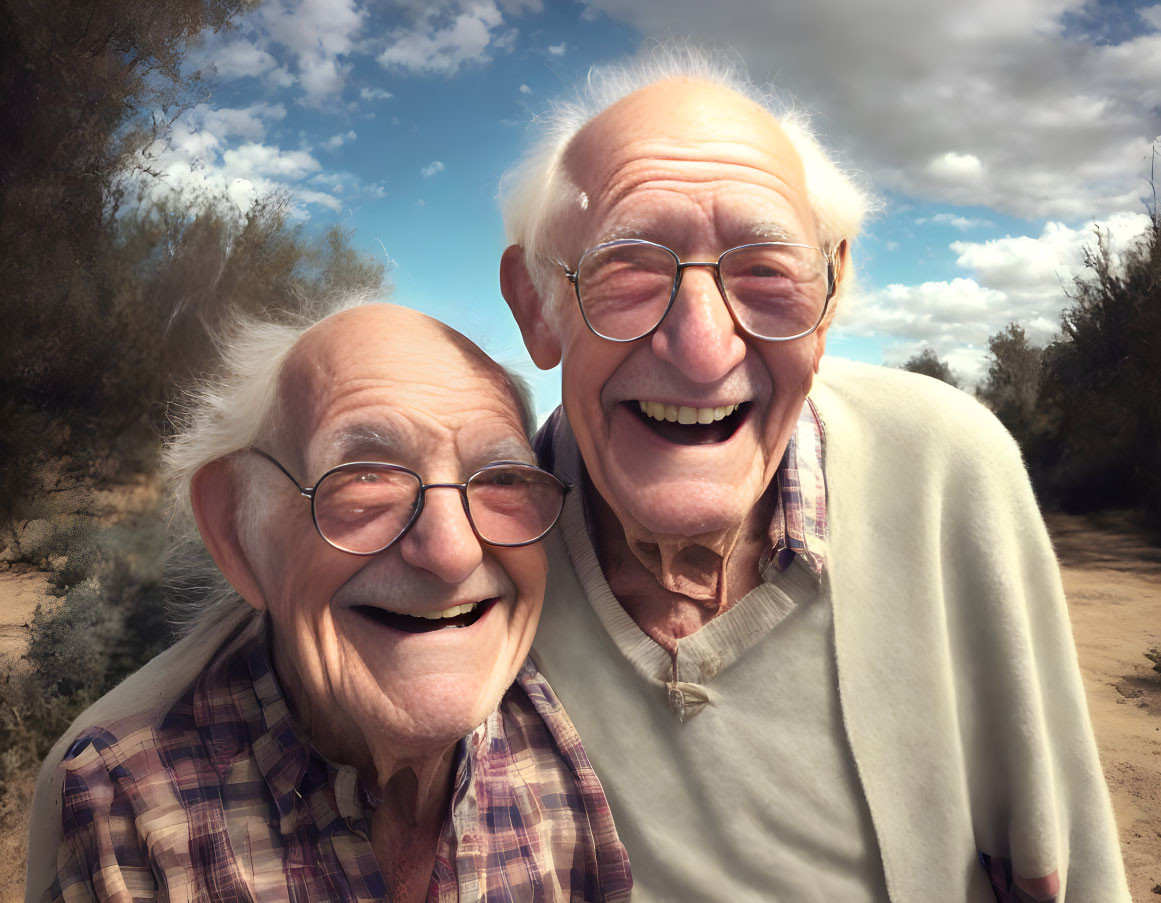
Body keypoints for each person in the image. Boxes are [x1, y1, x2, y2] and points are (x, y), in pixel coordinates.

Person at [498, 49, 1130, 902]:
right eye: (630, 267)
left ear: (829, 293)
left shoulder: (942, 459)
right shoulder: (473, 538)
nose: (701, 346)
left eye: (764, 269)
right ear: (538, 306)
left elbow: (1067, 853)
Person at [27, 302, 631, 903]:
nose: (454, 552)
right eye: (365, 475)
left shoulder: (553, 736)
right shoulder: (132, 815)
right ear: (239, 533)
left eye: (501, 477)